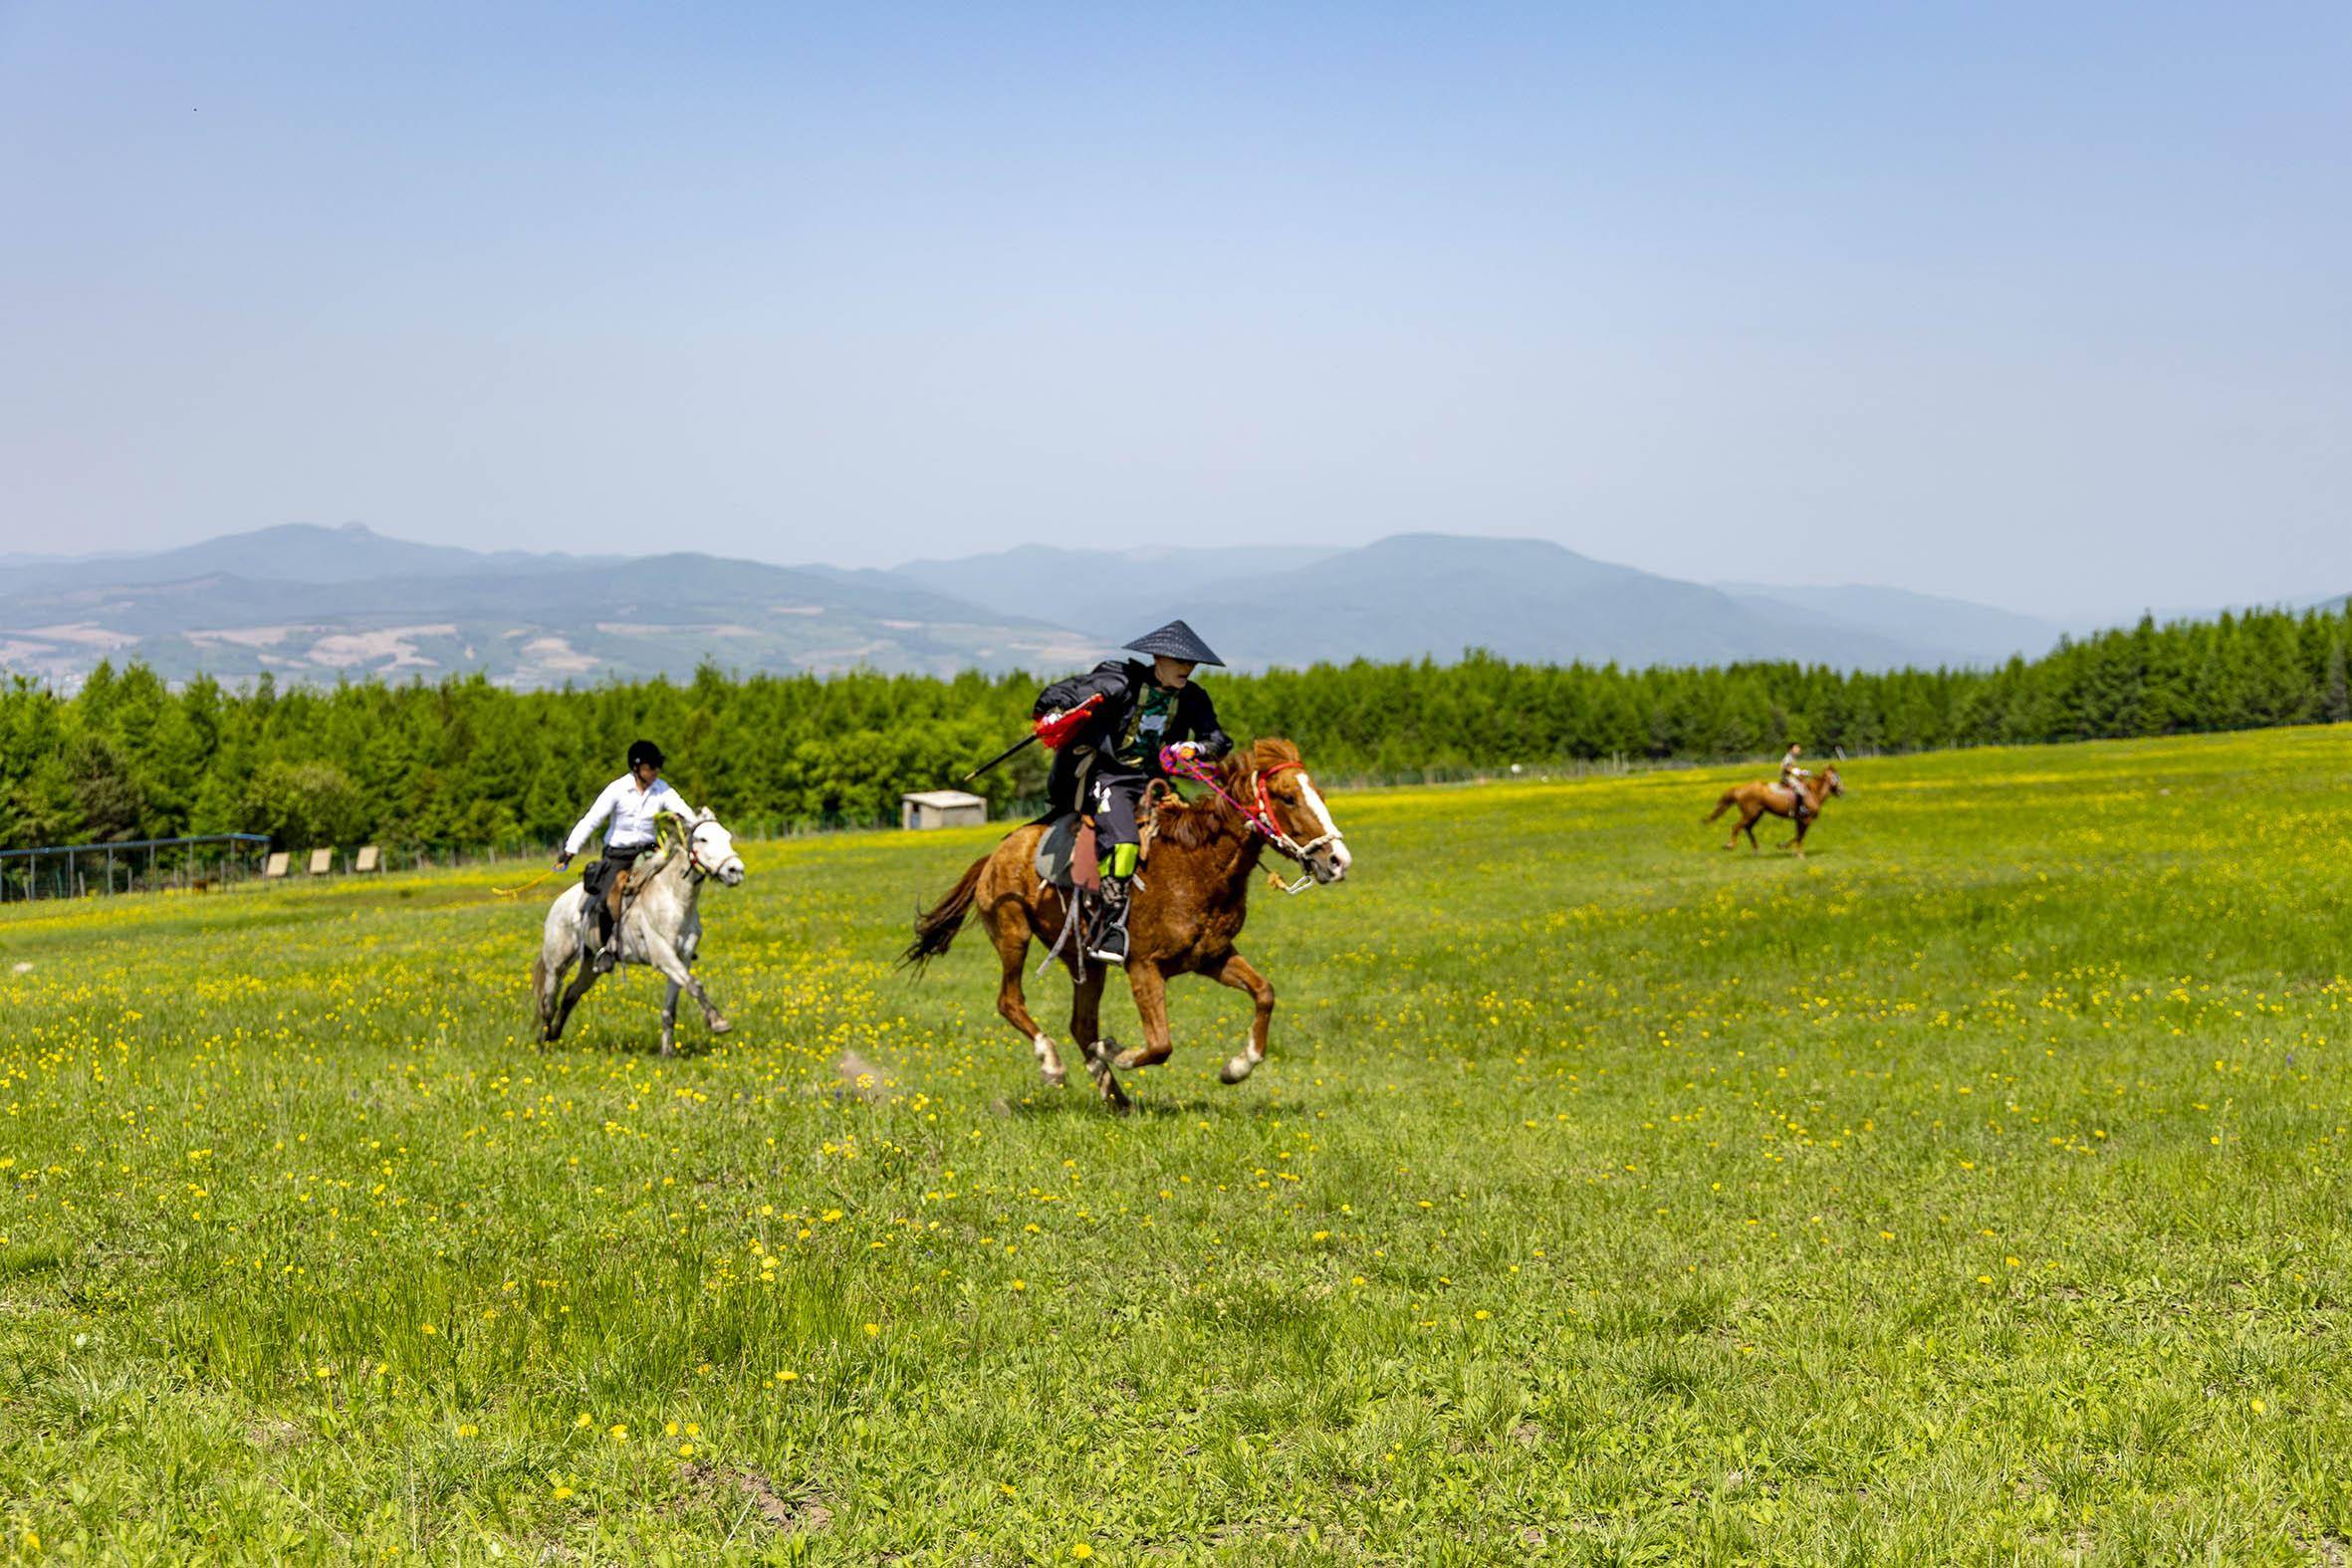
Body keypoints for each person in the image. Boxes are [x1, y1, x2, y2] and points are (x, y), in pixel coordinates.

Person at [1033, 620, 1232, 964]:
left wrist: (1194, 748)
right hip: (1110, 778)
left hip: (1156, 782)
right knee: (1124, 843)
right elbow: (1058, 694)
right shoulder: (1118, 682)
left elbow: (1218, 740)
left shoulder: (1194, 697)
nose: (1187, 668)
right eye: (1180, 661)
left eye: (1191, 663)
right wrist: (1052, 713)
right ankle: (1110, 928)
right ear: (1158, 658)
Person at [555, 739, 697, 973]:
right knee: (605, 900)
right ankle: (607, 949)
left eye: (657, 767)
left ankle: (677, 941)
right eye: (651, 767)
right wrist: (570, 849)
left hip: (648, 852)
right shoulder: (617, 789)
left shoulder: (662, 789)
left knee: (674, 886)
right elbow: (591, 820)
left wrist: (699, 827)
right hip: (617, 855)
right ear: (637, 768)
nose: (656, 772)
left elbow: (686, 812)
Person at [1778, 742, 1814, 829]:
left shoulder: (1792, 757)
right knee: (1801, 789)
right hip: (1786, 778)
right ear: (1791, 749)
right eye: (1797, 748)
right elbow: (1787, 767)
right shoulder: (1788, 757)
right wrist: (1799, 772)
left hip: (1790, 777)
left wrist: (1802, 772)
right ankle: (1800, 808)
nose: (1799, 749)